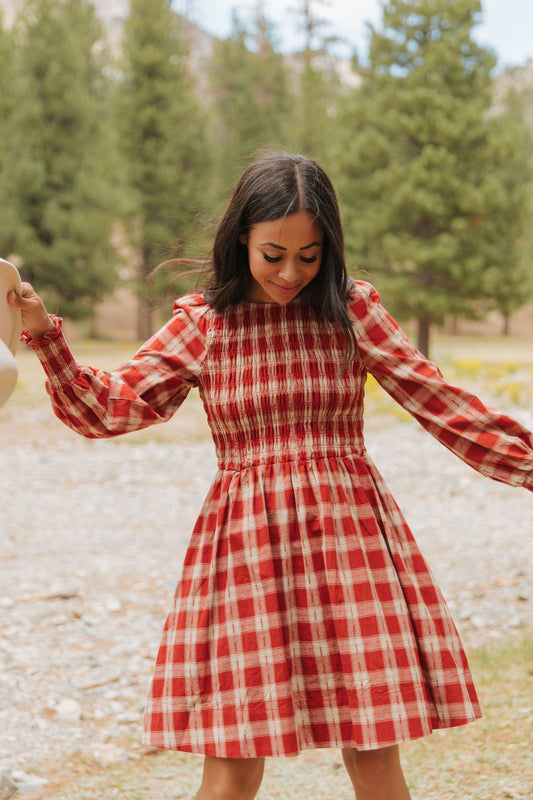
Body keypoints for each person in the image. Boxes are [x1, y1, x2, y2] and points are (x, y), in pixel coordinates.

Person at [8, 153, 533, 800]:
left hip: (351, 548)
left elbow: (442, 403)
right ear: (241, 240)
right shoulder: (204, 325)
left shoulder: (352, 310)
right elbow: (106, 410)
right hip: (246, 556)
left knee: (375, 758)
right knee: (231, 769)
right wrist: (46, 337)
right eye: (273, 255)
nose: (290, 273)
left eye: (309, 256)